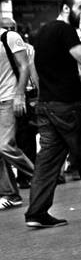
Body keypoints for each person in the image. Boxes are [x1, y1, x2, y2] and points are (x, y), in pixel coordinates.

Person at [24, 0, 81, 228]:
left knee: (47, 160)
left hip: (47, 104)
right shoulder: (65, 31)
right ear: (67, 9)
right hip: (67, 105)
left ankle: (36, 212)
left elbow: (33, 66)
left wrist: (43, 93)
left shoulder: (43, 31)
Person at [0, 17, 35, 210]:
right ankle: (10, 194)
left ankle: (39, 176)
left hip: (8, 97)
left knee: (5, 146)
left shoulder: (9, 37)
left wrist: (20, 94)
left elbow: (24, 67)